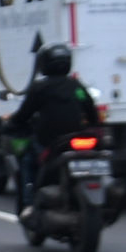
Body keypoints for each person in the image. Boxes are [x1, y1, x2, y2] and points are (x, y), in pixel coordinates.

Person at [11, 42, 104, 202]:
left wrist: (13, 123)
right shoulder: (76, 87)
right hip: (77, 137)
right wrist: (94, 123)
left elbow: (24, 114)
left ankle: (28, 202)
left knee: (27, 160)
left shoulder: (40, 88)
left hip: (49, 141)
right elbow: (89, 106)